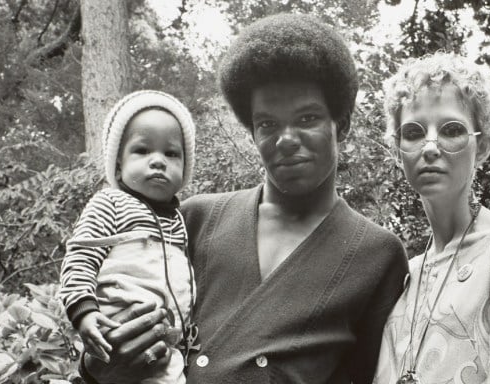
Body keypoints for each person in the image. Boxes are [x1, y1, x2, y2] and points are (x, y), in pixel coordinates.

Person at [80, 13, 409, 384]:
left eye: (307, 118)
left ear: (342, 124)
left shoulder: (376, 255)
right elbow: (118, 311)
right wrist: (98, 366)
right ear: (252, 133)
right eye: (268, 124)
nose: (286, 138)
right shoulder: (193, 220)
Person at [372, 52, 490, 384]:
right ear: (396, 150)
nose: (430, 146)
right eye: (414, 133)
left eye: (451, 129)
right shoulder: (406, 275)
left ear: (484, 145)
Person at [59, 90, 197, 384]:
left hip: (165, 349)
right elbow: (80, 256)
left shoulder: (181, 221)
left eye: (171, 153)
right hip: (114, 331)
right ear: (118, 164)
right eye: (143, 150)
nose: (158, 161)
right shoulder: (110, 202)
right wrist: (84, 312)